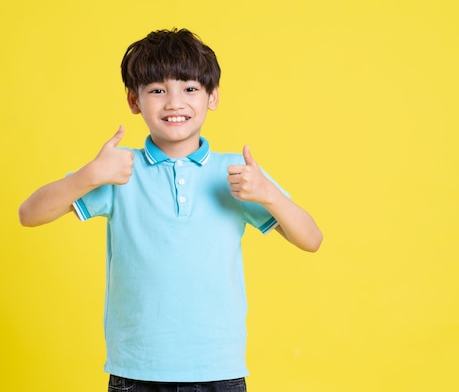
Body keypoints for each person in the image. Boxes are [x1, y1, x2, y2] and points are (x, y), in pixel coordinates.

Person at [19, 28, 322, 392]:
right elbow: (29, 213)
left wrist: (270, 194)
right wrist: (87, 176)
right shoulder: (118, 169)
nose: (174, 102)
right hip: (136, 370)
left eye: (190, 89)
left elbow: (311, 239)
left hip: (217, 371)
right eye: (157, 90)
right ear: (134, 100)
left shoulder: (236, 173)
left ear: (213, 97)